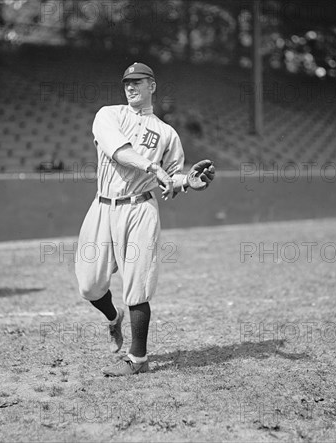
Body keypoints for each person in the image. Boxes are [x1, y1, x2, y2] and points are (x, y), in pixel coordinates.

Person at [75, 62, 215, 377]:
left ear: (152, 85)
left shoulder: (167, 133)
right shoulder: (108, 115)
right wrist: (154, 168)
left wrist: (187, 183)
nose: (130, 86)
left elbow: (173, 178)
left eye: (138, 81)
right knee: (88, 285)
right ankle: (113, 318)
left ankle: (138, 358)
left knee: (138, 285)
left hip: (140, 209)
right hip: (103, 206)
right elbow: (119, 152)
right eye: (127, 82)